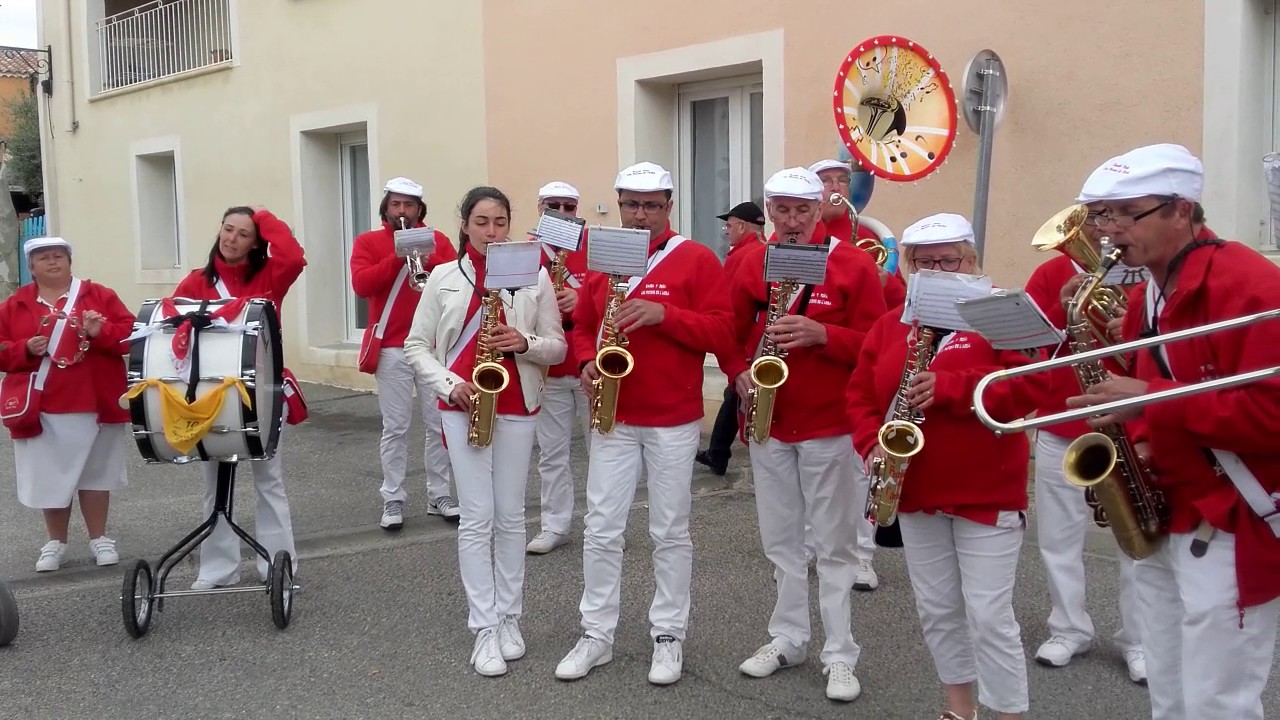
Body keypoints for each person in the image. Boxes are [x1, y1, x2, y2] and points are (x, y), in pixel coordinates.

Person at [1065, 143, 1280, 720]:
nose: (1109, 234)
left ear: (1181, 210)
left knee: (1219, 702)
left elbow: (1273, 416)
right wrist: (1130, 447)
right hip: (1169, 513)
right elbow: (1159, 408)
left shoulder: (1254, 289)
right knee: (1169, 693)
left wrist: (1150, 401)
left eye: (1124, 215)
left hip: (1232, 519)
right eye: (1101, 217)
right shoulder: (1142, 298)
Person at [845, 213, 1042, 720]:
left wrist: (955, 388)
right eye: (923, 263)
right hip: (914, 488)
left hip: (985, 488)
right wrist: (872, 446)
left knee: (990, 615)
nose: (935, 270)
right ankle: (959, 709)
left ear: (971, 261)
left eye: (947, 260)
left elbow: (1033, 386)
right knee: (937, 610)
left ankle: (1007, 713)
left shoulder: (999, 310)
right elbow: (862, 394)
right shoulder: (894, 325)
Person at [555, 161, 734, 685]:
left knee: (669, 529)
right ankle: (596, 634)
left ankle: (668, 635)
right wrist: (587, 360)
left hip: (672, 417)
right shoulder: (600, 254)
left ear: (668, 207)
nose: (639, 214)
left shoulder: (696, 259)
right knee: (602, 528)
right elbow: (583, 324)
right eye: (630, 203)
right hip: (612, 413)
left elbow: (724, 333)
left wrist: (666, 317)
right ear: (618, 201)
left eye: (650, 205)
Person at [725, 168, 885, 701]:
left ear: (821, 211)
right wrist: (737, 372)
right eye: (782, 210)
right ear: (768, 210)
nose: (792, 222)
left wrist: (825, 335)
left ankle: (840, 653)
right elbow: (728, 329)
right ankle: (788, 637)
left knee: (836, 546)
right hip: (769, 420)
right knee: (781, 541)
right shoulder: (750, 260)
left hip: (829, 423)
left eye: (802, 211)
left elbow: (878, 345)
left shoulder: (854, 263)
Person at [403, 186, 566, 676]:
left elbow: (557, 346)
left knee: (511, 516)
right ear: (465, 225)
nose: (491, 231)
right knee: (477, 517)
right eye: (481, 222)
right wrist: (449, 384)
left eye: (499, 222)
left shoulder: (534, 274)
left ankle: (511, 616)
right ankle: (485, 627)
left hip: (518, 403)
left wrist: (525, 341)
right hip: (462, 404)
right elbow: (416, 346)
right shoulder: (443, 276)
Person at [1023, 191, 1147, 683]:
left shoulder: (1144, 274)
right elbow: (1025, 346)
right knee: (1058, 538)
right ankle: (1068, 627)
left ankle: (1139, 638)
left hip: (1127, 425)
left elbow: (1158, 355)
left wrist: (1125, 328)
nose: (1098, 227)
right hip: (1061, 422)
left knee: (1135, 539)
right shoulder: (1052, 273)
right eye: (1091, 218)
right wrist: (1060, 312)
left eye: (1107, 216)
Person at [173, 205, 307, 591]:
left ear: (256, 243)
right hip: (209, 397)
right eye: (228, 229)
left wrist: (262, 215)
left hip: (263, 394)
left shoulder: (269, 277)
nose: (232, 239)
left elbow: (294, 256)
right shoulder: (195, 283)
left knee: (269, 481)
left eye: (243, 234)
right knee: (213, 483)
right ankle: (218, 569)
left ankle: (277, 566)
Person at [0, 237, 134, 572]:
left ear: (69, 261)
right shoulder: (14, 305)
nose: (52, 262)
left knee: (96, 475)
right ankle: (55, 542)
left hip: (96, 400)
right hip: (44, 404)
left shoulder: (98, 295)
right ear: (31, 267)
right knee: (50, 478)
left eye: (58, 256)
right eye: (43, 258)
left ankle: (100, 538)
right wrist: (25, 349)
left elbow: (130, 335)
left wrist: (99, 331)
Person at [351, 176, 461, 531]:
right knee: (395, 427)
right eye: (396, 204)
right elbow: (362, 285)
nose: (402, 211)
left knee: (438, 423)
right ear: (386, 207)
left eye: (408, 205)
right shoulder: (368, 241)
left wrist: (428, 259)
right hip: (393, 347)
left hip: (432, 347)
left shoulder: (439, 240)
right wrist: (398, 259)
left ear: (419, 210)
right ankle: (393, 498)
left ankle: (439, 494)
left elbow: (457, 283)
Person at [528, 180, 590, 555]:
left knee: (604, 452)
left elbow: (611, 299)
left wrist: (580, 299)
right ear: (540, 208)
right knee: (552, 454)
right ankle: (555, 524)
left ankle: (604, 524)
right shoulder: (525, 253)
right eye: (555, 205)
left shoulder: (594, 249)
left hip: (588, 364)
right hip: (547, 367)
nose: (563, 213)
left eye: (570, 206)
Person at [694, 200, 767, 478]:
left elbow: (731, 304)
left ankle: (719, 454)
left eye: (729, 225)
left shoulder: (742, 255)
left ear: (740, 225)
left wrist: (726, 342)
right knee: (735, 394)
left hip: (749, 337)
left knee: (738, 391)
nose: (727, 231)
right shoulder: (766, 248)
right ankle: (718, 452)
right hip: (759, 333)